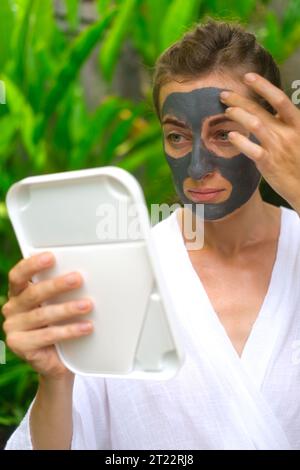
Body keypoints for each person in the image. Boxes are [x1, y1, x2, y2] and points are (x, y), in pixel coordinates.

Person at [3, 19, 300, 450]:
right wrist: (56, 379)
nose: (198, 169)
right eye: (177, 137)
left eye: (224, 133)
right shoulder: (119, 274)